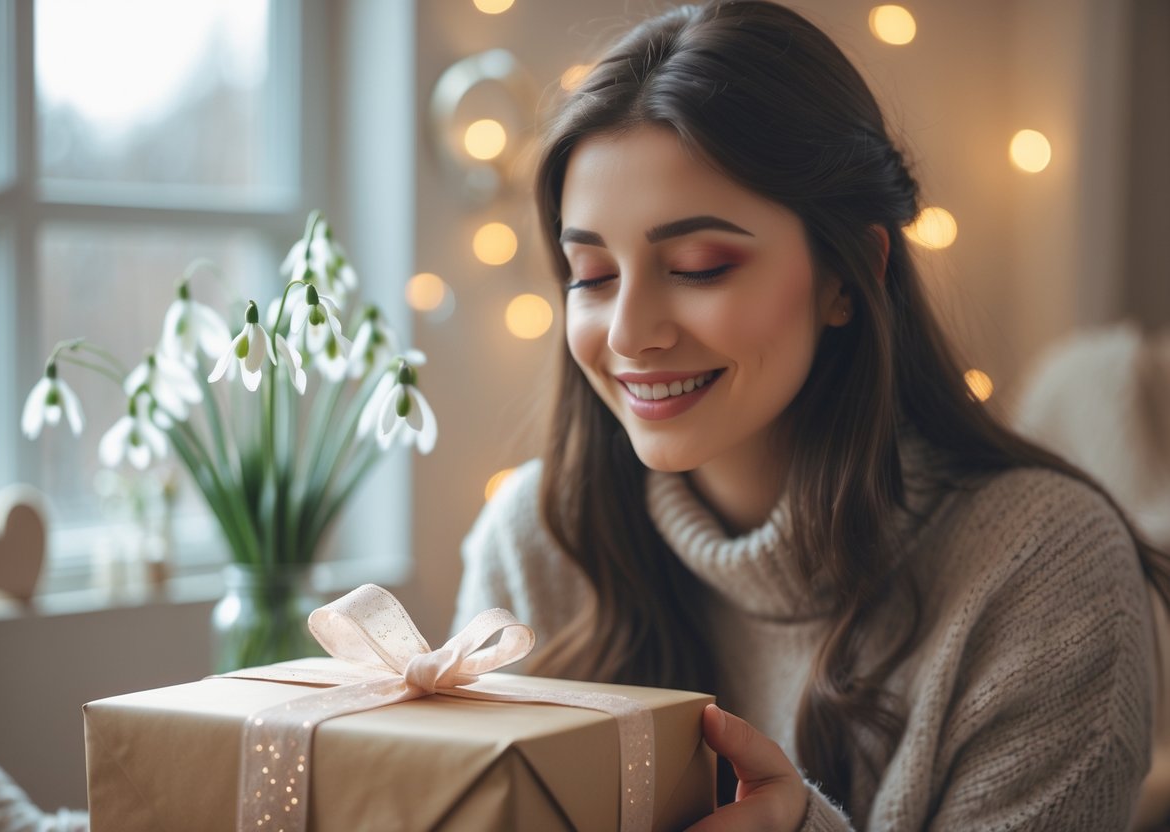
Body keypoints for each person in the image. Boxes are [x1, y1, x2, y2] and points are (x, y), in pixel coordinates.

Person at [452, 2, 1170, 829]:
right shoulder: (538, 538)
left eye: (699, 265)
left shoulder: (1044, 569)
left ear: (847, 272)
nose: (627, 335)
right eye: (591, 273)